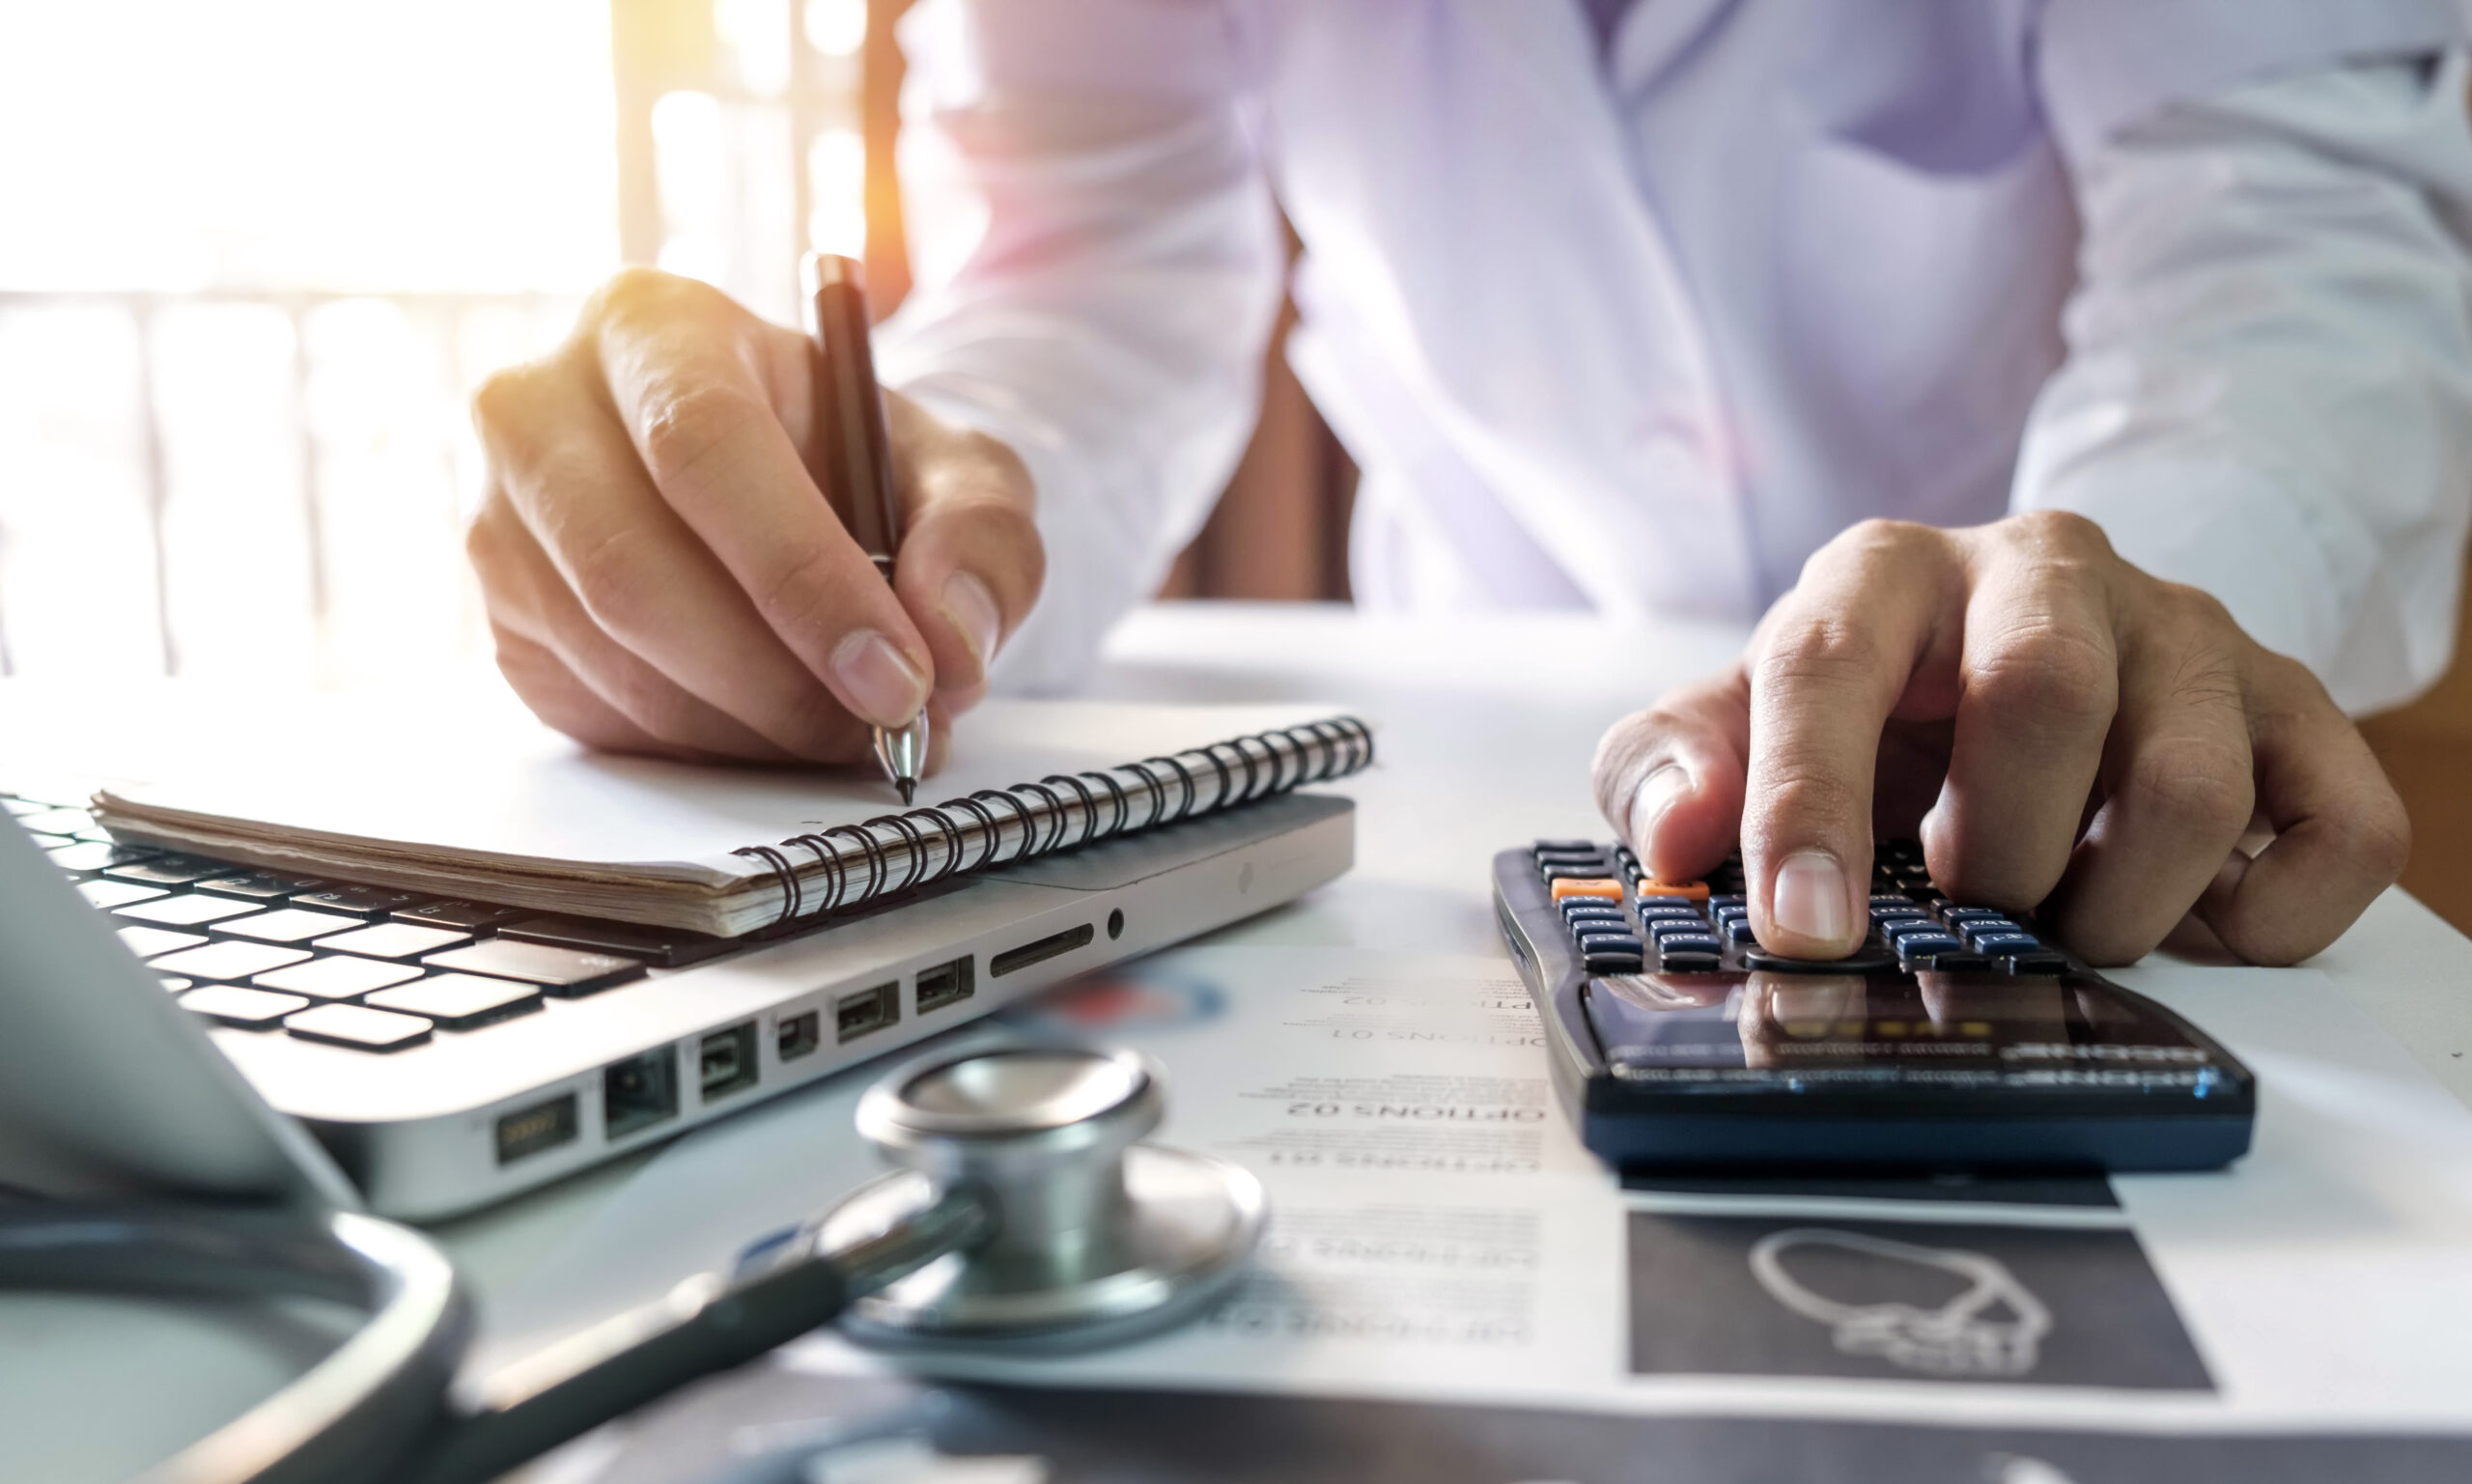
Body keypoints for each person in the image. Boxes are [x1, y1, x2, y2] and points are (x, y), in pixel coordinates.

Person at [464, 1, 2472, 966]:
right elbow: (1081, 253)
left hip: (2056, 797)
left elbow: (2280, 244)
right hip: (1467, 730)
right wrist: (907, 504)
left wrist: (2130, 594)